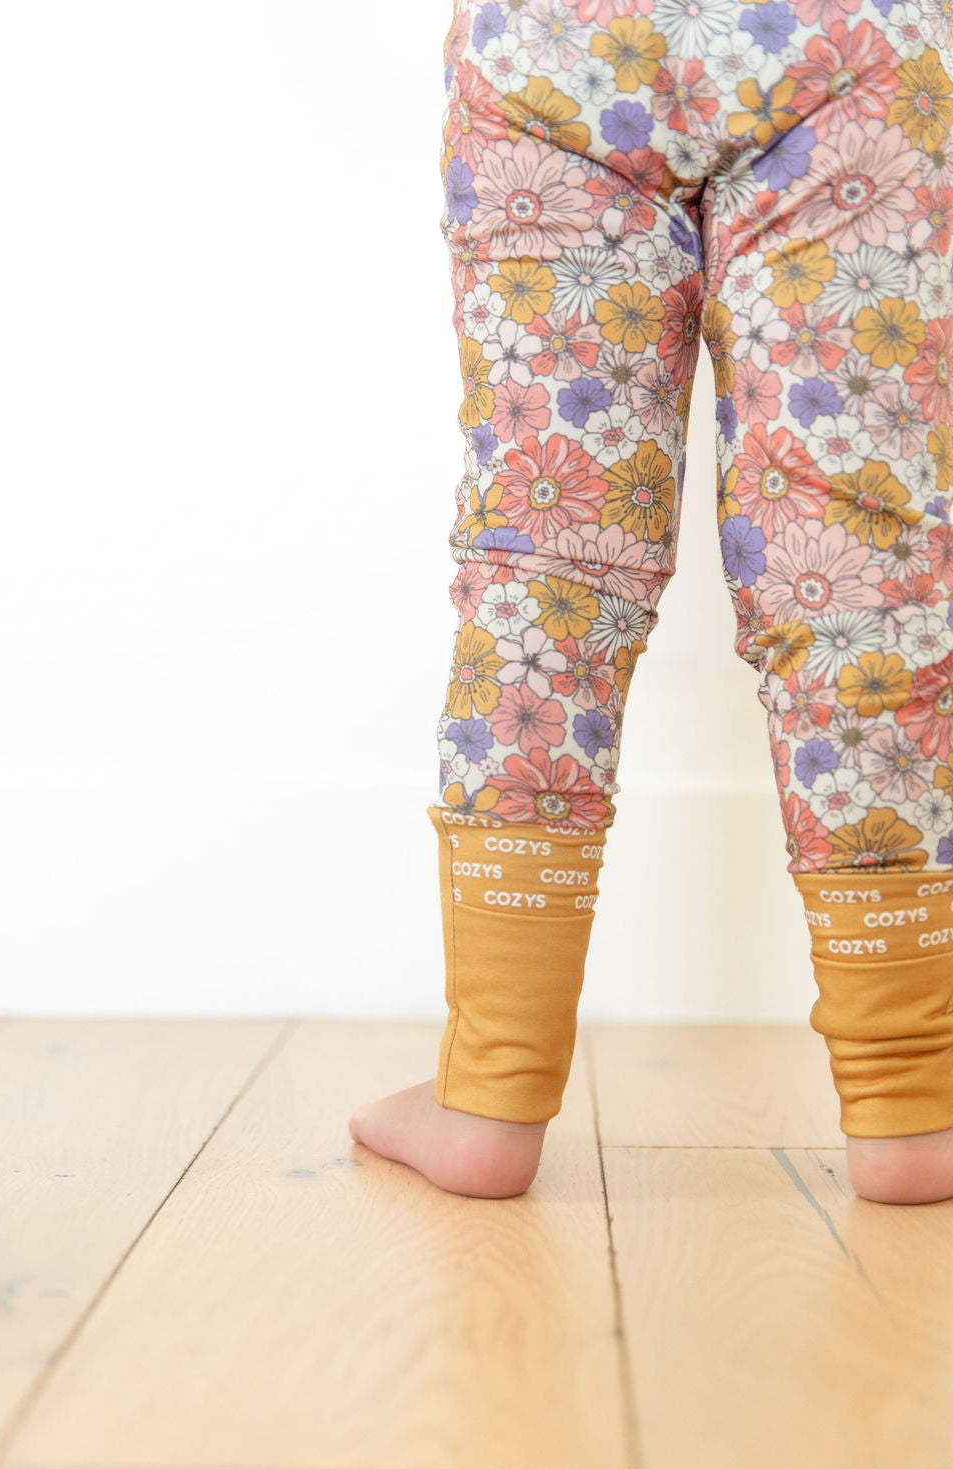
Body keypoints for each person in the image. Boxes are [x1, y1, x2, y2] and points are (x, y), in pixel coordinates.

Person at [350, 0, 953, 1204]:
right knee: (858, 559)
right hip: (853, 38)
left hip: (556, 46)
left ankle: (489, 1089)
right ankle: (913, 1098)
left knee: (547, 551)